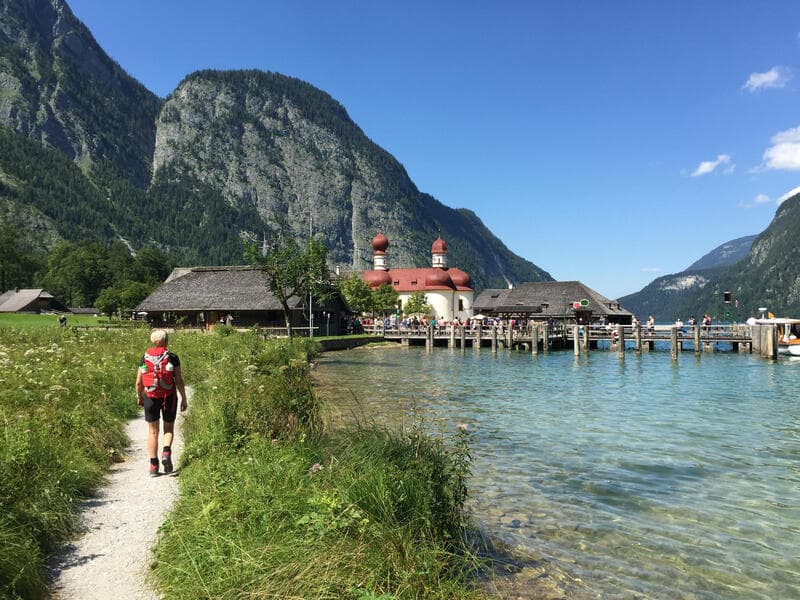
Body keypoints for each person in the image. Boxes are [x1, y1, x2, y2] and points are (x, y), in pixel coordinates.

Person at [135, 329, 187, 477]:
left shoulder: (144, 357)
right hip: (169, 396)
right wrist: (184, 398)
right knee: (168, 428)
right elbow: (179, 380)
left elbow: (139, 382)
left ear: (153, 341)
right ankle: (166, 452)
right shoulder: (173, 357)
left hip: (150, 396)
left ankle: (153, 465)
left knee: (153, 431)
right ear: (166, 340)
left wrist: (139, 396)